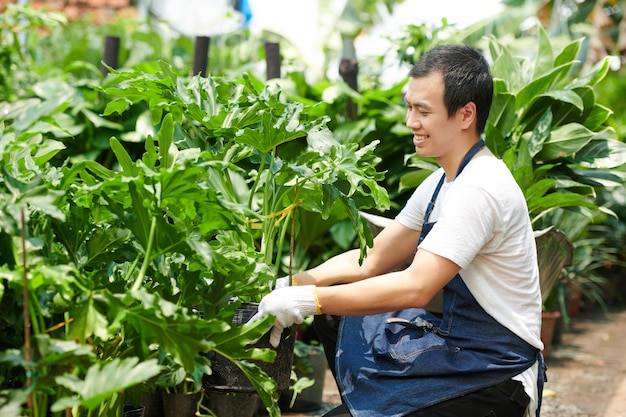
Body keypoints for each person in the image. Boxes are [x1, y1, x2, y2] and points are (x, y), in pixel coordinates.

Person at [250, 44, 545, 417]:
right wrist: (295, 283)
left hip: (497, 376)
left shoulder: (479, 187)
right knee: (336, 300)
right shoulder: (442, 181)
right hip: (457, 350)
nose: (411, 122)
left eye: (424, 111)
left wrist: (308, 301)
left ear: (466, 114)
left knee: (328, 307)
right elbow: (373, 258)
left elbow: (416, 286)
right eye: (409, 106)